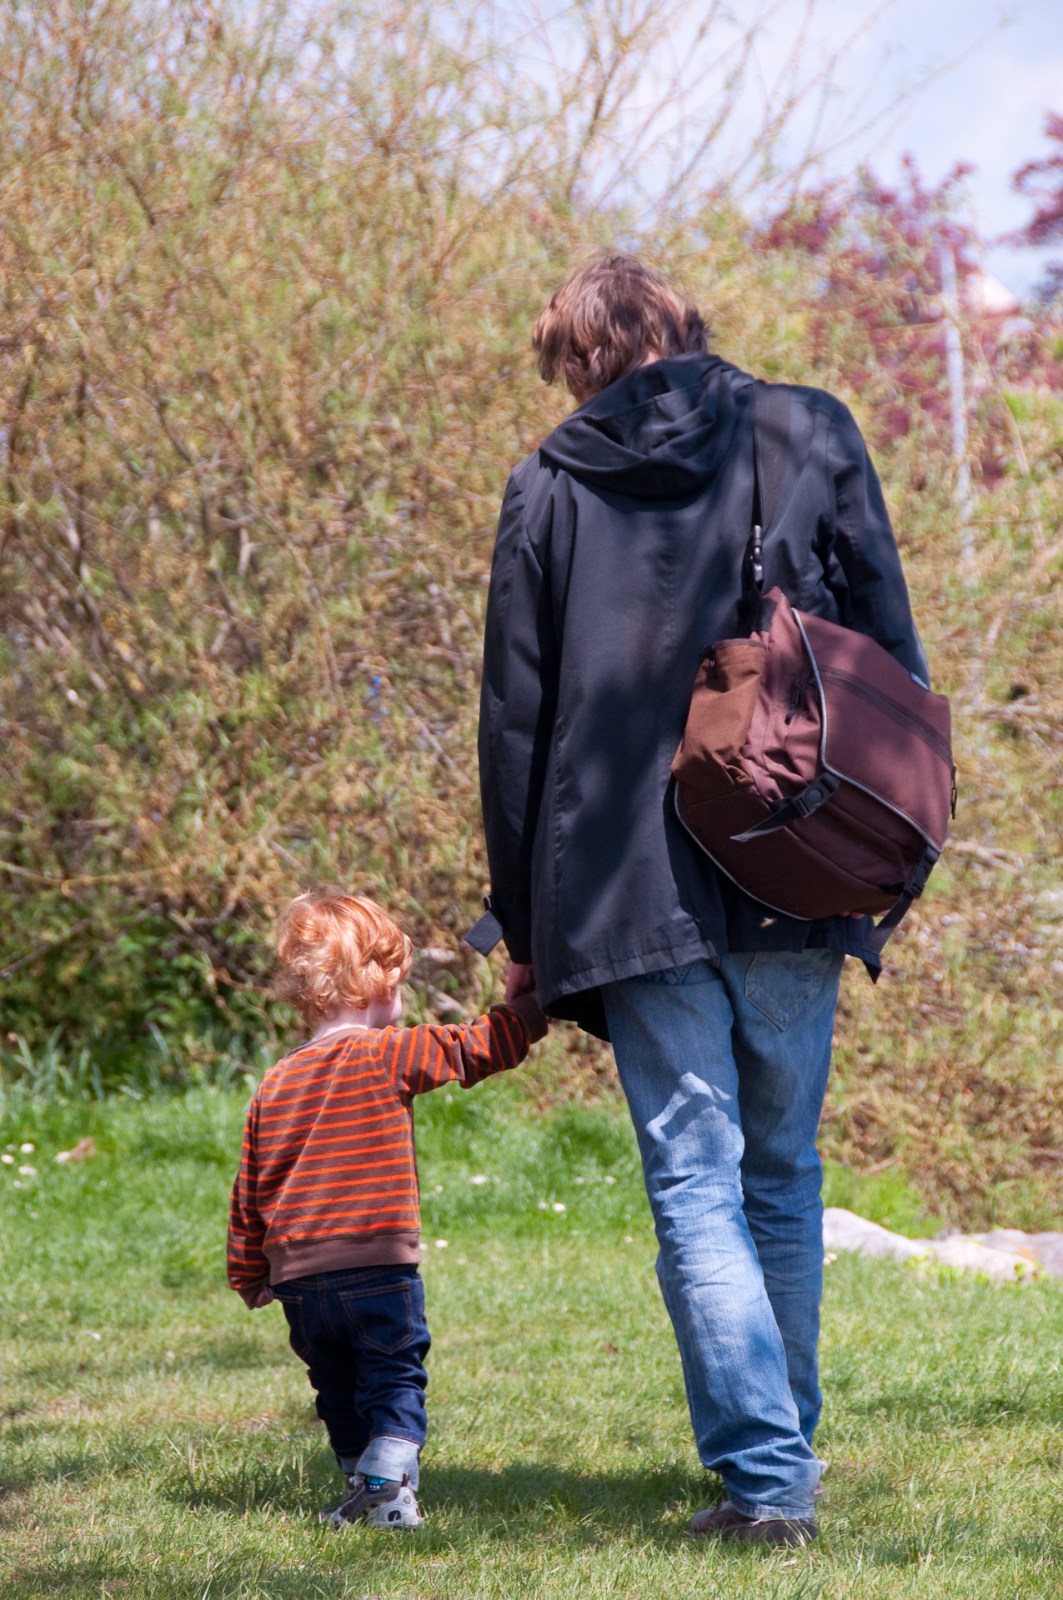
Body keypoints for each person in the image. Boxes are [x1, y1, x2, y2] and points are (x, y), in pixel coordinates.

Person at [476, 256, 929, 1546]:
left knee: (695, 1180)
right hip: (795, 847)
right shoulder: (807, 426)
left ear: (582, 357)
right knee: (780, 1172)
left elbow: (515, 722)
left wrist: (519, 922)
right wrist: (889, 842)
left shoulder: (550, 483)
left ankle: (767, 1480)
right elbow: (889, 654)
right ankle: (782, 1461)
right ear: (683, 325)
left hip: (627, 878)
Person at [227, 890, 547, 1529]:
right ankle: (386, 1479)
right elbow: (474, 1047)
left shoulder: (276, 1081)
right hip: (376, 1262)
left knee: (336, 1388)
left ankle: (369, 1494)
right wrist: (533, 1007)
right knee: (394, 1375)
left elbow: (250, 1188)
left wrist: (248, 1272)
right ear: (377, 982)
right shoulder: (387, 1052)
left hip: (298, 1279)